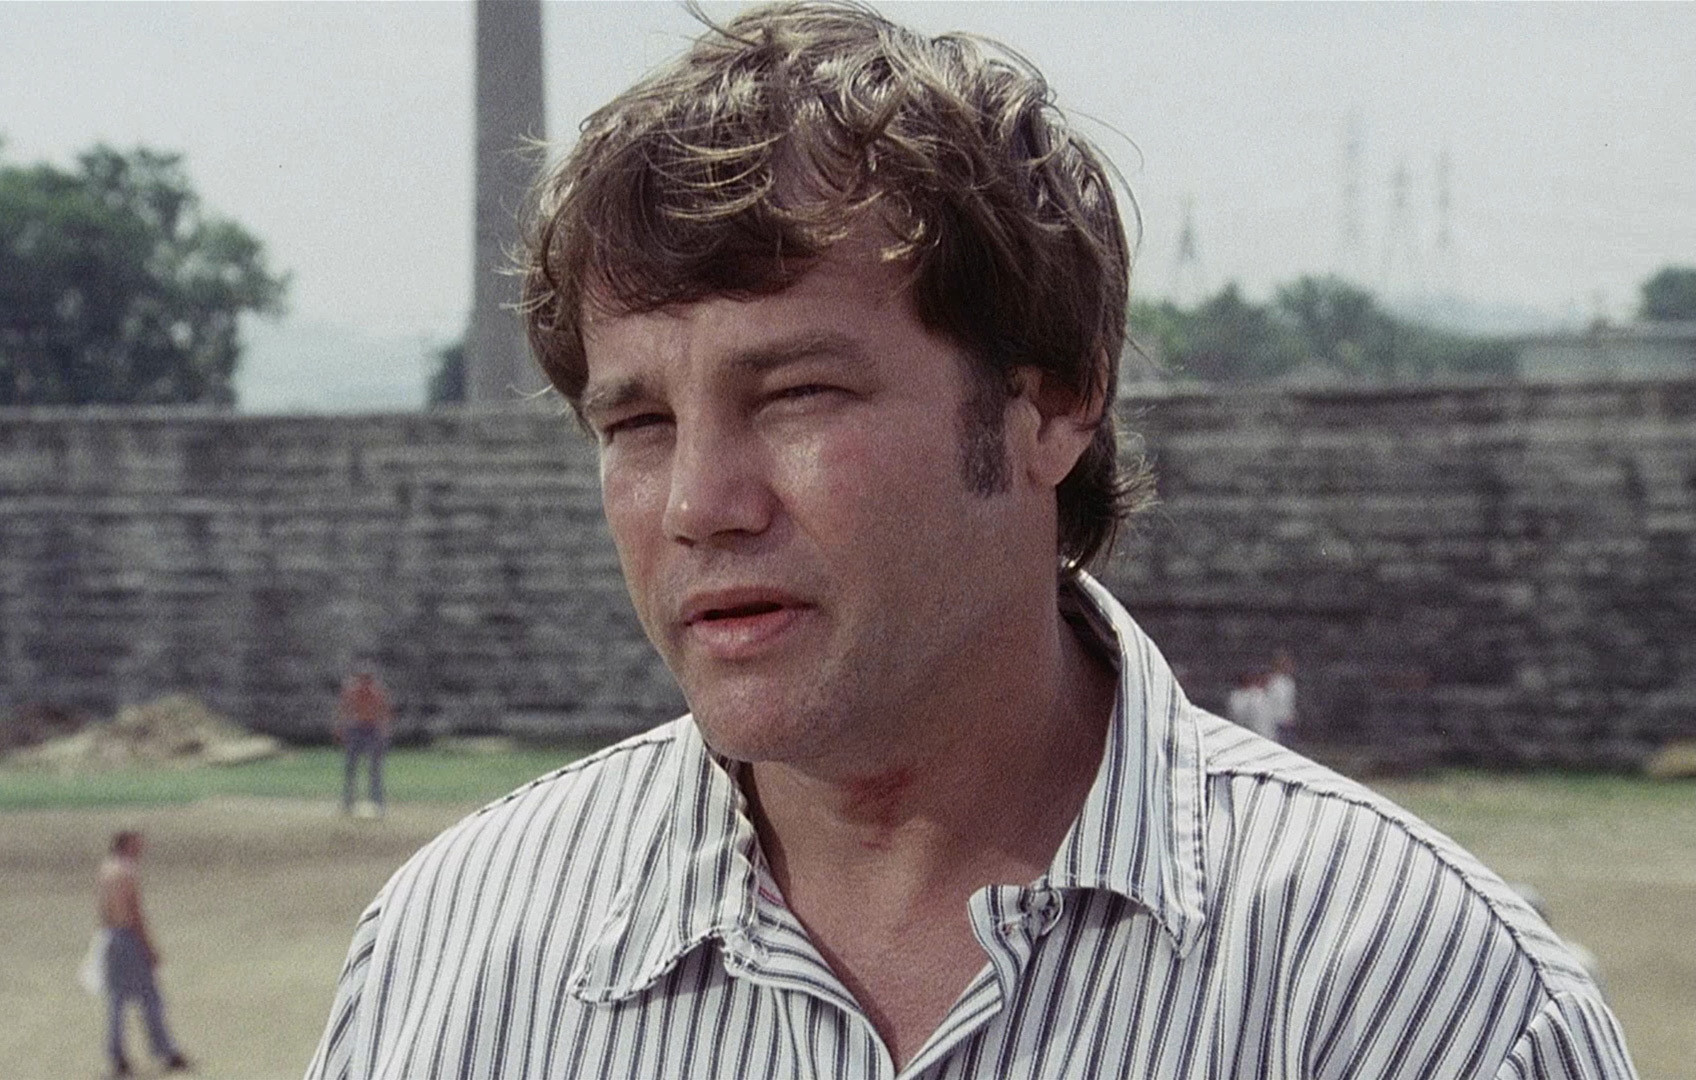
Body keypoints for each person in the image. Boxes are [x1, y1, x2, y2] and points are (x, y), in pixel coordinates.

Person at [307, 4, 1634, 1077]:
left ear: (1051, 403)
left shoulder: (1423, 1006)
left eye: (798, 394)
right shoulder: (451, 958)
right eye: (637, 421)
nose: (699, 503)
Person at [97, 830, 189, 1077]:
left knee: (117, 1000)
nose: (141, 848)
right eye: (137, 844)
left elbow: (103, 911)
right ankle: (167, 1051)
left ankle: (117, 1057)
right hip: (129, 938)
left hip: (111, 937)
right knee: (150, 997)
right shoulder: (127, 872)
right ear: (126, 844)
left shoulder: (106, 870)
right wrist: (149, 947)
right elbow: (135, 914)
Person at [335, 669, 392, 818]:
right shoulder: (352, 692)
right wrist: (342, 728)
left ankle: (377, 803)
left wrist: (384, 730)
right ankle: (348, 802)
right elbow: (344, 709)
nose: (365, 683)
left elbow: (384, 712)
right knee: (351, 767)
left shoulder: (376, 692)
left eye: (367, 680)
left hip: (371, 728)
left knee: (374, 768)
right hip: (356, 728)